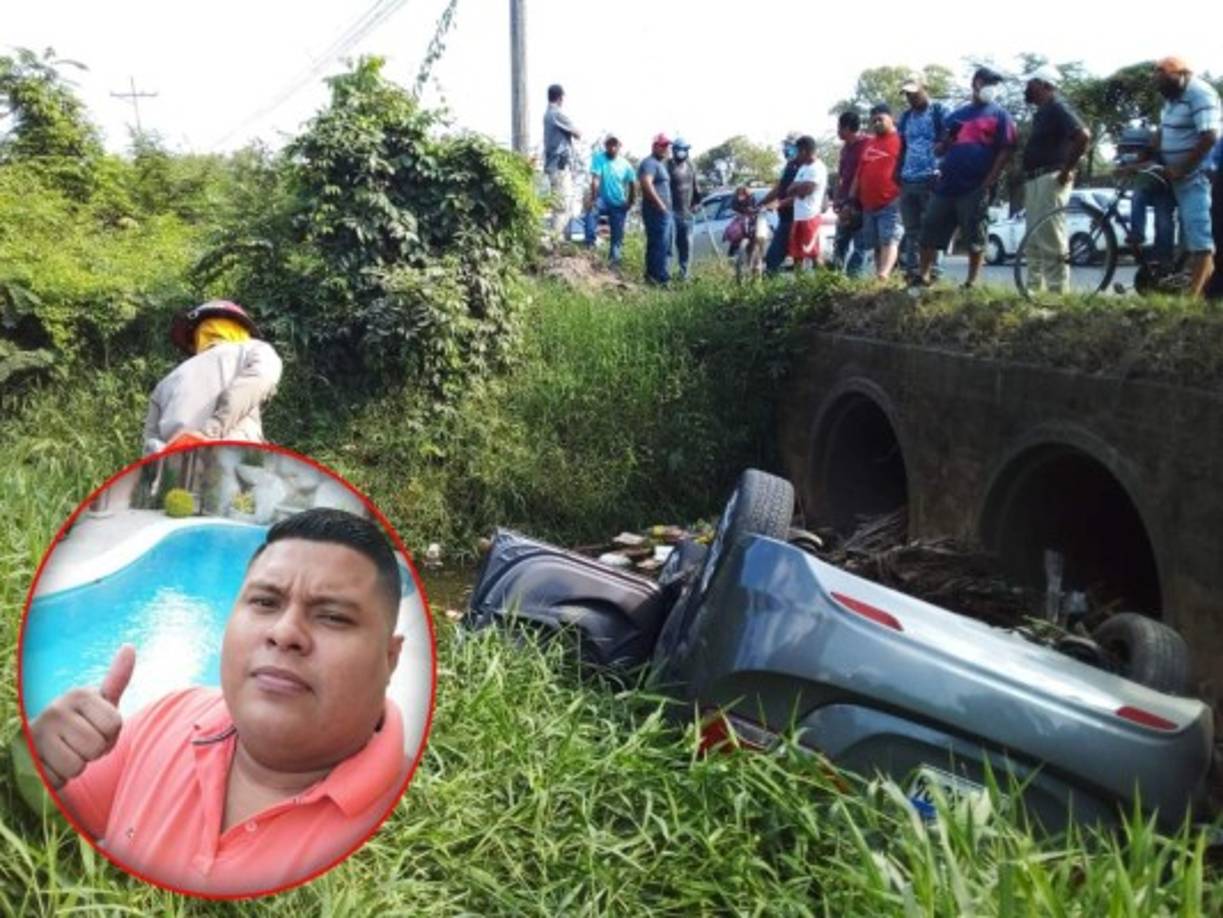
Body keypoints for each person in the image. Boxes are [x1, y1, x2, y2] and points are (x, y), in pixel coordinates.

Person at [29, 508, 410, 896]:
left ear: (390, 658)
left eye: (332, 617)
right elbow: (44, 830)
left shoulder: (403, 836)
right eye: (264, 602)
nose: (284, 632)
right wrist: (35, 761)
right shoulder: (169, 718)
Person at [915, 67, 1018, 290]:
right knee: (929, 229)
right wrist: (947, 142)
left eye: (994, 84)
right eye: (987, 82)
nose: (991, 88)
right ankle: (922, 276)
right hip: (946, 185)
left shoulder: (1000, 115)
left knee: (975, 236)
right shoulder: (955, 116)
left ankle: (971, 282)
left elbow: (1006, 150)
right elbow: (938, 150)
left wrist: (990, 180)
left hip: (975, 186)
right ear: (975, 83)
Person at [143, 301, 283, 455]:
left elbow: (150, 445)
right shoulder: (254, 348)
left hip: (177, 469)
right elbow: (260, 380)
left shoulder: (165, 383)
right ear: (241, 329)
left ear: (196, 336)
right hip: (233, 456)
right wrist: (210, 430)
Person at [1019, 64, 1091, 293]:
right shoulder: (1042, 112)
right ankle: (1032, 289)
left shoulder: (1058, 107)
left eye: (1030, 84)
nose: (1026, 89)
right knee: (1033, 237)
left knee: (1050, 235)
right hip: (1035, 179)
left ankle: (1057, 292)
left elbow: (1083, 135)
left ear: (1043, 85)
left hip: (1051, 178)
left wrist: (1066, 169)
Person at [1154, 57, 1220, 298]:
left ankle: (1191, 303)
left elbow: (1209, 136)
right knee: (1187, 237)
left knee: (1200, 239)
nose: (1159, 83)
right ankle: (1199, 295)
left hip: (1196, 175)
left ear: (1181, 73)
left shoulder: (1200, 93)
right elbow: (1163, 131)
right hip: (1174, 176)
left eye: (1163, 77)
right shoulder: (1171, 98)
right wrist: (1145, 156)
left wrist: (1183, 168)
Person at [896, 73, 948, 281]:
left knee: (932, 226)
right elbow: (902, 146)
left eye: (914, 93)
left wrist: (942, 153)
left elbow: (952, 137)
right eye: (907, 94)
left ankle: (934, 271)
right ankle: (913, 271)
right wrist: (897, 170)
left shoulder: (939, 111)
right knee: (912, 230)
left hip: (931, 177)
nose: (910, 98)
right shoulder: (906, 117)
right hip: (908, 178)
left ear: (924, 88)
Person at [849, 104, 904, 280]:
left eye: (881, 118)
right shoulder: (870, 143)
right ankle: (881, 277)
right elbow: (859, 171)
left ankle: (884, 273)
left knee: (889, 239)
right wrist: (851, 198)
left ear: (892, 118)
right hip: (868, 204)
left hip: (891, 200)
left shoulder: (901, 140)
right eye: (874, 120)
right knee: (876, 243)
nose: (877, 122)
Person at [1118, 126, 1178, 273]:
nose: (1135, 154)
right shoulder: (1128, 158)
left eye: (1138, 150)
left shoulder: (1159, 154)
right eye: (1130, 150)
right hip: (1147, 191)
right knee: (1137, 195)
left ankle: (1164, 256)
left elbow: (1151, 166)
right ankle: (1137, 233)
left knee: (1163, 221)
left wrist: (1132, 168)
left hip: (1165, 191)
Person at [585, 135, 637, 267]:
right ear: (605, 145)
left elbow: (633, 183)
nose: (612, 147)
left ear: (620, 146)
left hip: (619, 203)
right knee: (591, 211)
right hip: (602, 199)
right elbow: (595, 179)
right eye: (609, 144)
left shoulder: (626, 165)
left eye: (615, 145)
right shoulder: (599, 158)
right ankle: (590, 245)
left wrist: (630, 201)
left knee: (617, 235)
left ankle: (614, 263)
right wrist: (593, 199)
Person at [779, 135, 829, 273]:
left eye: (798, 151)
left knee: (815, 255)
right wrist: (798, 188)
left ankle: (823, 286)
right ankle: (800, 287)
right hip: (798, 217)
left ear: (804, 151)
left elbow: (806, 191)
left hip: (811, 217)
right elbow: (790, 190)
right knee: (797, 256)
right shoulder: (802, 168)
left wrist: (798, 188)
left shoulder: (818, 168)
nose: (796, 156)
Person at [542, 83, 582, 239]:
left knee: (564, 204)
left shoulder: (548, 114)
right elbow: (578, 133)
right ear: (560, 97)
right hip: (559, 166)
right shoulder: (556, 113)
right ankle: (554, 242)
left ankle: (559, 240)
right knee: (562, 206)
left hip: (555, 166)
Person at [759, 133, 802, 274]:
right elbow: (779, 188)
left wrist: (778, 204)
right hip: (784, 217)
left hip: (795, 217)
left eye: (789, 146)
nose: (786, 150)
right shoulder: (789, 166)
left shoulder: (804, 168)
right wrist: (762, 201)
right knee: (784, 259)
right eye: (785, 147)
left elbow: (800, 195)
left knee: (774, 259)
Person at [832, 110, 868, 277]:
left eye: (839, 127)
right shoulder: (845, 149)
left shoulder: (867, 143)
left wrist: (852, 202)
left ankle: (853, 279)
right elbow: (841, 176)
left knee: (861, 245)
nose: (838, 131)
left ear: (847, 127)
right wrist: (838, 199)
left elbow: (862, 174)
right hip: (845, 203)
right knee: (840, 243)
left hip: (861, 204)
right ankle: (834, 278)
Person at [638, 134, 674, 285]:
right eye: (662, 145)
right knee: (660, 243)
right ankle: (660, 278)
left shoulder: (660, 164)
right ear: (654, 146)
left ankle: (653, 277)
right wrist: (660, 205)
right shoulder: (650, 163)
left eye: (667, 145)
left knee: (661, 244)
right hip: (656, 211)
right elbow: (646, 183)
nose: (665, 148)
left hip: (663, 211)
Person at [667, 138, 702, 280]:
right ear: (674, 150)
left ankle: (684, 276)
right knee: (668, 247)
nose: (682, 152)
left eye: (684, 150)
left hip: (687, 214)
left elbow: (696, 188)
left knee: (686, 246)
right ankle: (665, 276)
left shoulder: (691, 166)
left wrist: (697, 203)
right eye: (679, 149)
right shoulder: (667, 166)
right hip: (671, 213)